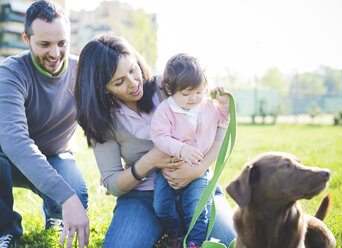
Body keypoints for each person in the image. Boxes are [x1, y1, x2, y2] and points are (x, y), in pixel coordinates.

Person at [74, 33, 236, 248]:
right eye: (119, 82)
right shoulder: (102, 119)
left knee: (228, 240)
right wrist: (150, 161)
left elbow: (218, 127)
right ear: (103, 87)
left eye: (133, 70)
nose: (133, 84)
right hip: (143, 197)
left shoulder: (168, 86)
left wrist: (198, 170)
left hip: (196, 183)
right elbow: (113, 184)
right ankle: (168, 227)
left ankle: (179, 229)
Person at [0, 1, 89, 248]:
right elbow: (15, 142)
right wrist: (66, 197)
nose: (55, 53)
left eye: (62, 43)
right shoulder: (10, 74)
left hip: (55, 155)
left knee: (77, 193)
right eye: (44, 44)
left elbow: (122, 98)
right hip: (7, 159)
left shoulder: (81, 70)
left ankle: (55, 215)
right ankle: (5, 229)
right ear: (26, 39)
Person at [150, 53, 230, 247]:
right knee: (161, 206)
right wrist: (181, 149)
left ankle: (195, 242)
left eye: (198, 91)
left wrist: (225, 105)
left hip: (199, 170)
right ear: (169, 90)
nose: (193, 98)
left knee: (197, 207)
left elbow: (223, 120)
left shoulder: (209, 106)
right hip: (170, 170)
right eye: (185, 94)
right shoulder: (166, 110)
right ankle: (176, 232)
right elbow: (159, 136)